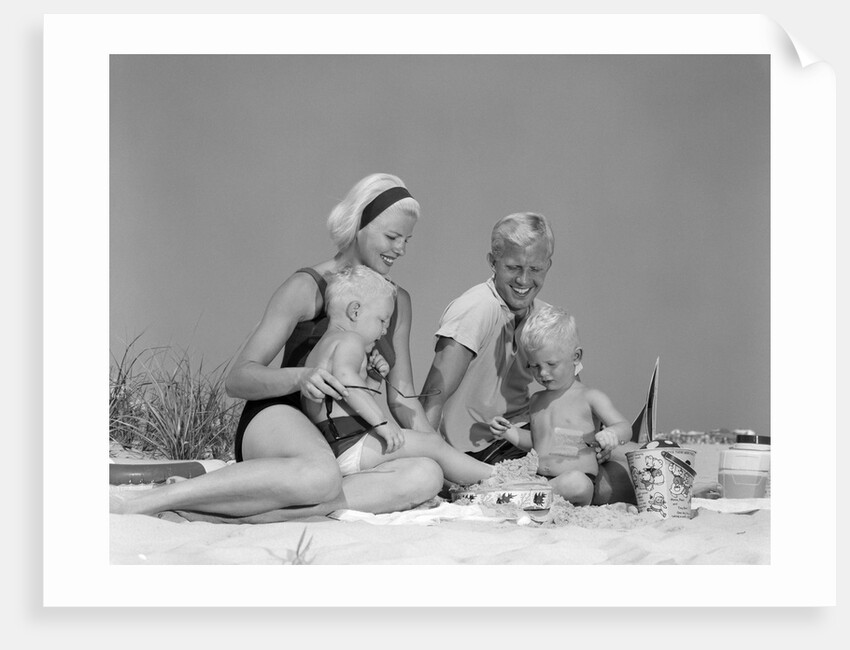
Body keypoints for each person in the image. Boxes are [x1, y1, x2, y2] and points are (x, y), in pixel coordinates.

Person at [110, 173, 444, 521]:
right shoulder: (306, 287)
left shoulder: (397, 302)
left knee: (426, 474)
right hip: (280, 418)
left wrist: (446, 460)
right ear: (359, 224)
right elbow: (238, 379)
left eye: (407, 240)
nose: (400, 249)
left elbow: (403, 397)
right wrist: (301, 377)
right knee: (321, 475)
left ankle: (237, 512)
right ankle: (154, 501)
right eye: (392, 236)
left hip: (343, 440)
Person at [420, 212, 638, 505]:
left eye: (535, 268)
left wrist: (597, 446)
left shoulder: (544, 319)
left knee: (630, 459)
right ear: (493, 262)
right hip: (481, 449)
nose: (524, 280)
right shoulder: (476, 309)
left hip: (530, 438)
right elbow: (433, 395)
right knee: (615, 482)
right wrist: (432, 462)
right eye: (513, 267)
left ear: (548, 265)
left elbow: (571, 397)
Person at [302, 264, 494, 485]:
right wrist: (382, 422)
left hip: (339, 446)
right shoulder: (349, 340)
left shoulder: (323, 347)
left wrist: (373, 379)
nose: (385, 330)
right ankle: (495, 476)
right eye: (382, 320)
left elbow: (346, 398)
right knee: (431, 445)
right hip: (351, 443)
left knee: (417, 464)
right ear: (355, 311)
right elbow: (347, 381)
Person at [487, 305, 631, 505]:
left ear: (576, 357)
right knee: (517, 479)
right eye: (534, 366)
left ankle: (527, 496)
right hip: (541, 479)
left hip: (576, 480)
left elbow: (625, 427)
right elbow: (537, 443)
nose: (543, 373)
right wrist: (509, 432)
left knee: (577, 483)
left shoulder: (589, 397)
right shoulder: (537, 400)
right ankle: (533, 496)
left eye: (551, 364)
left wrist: (612, 434)